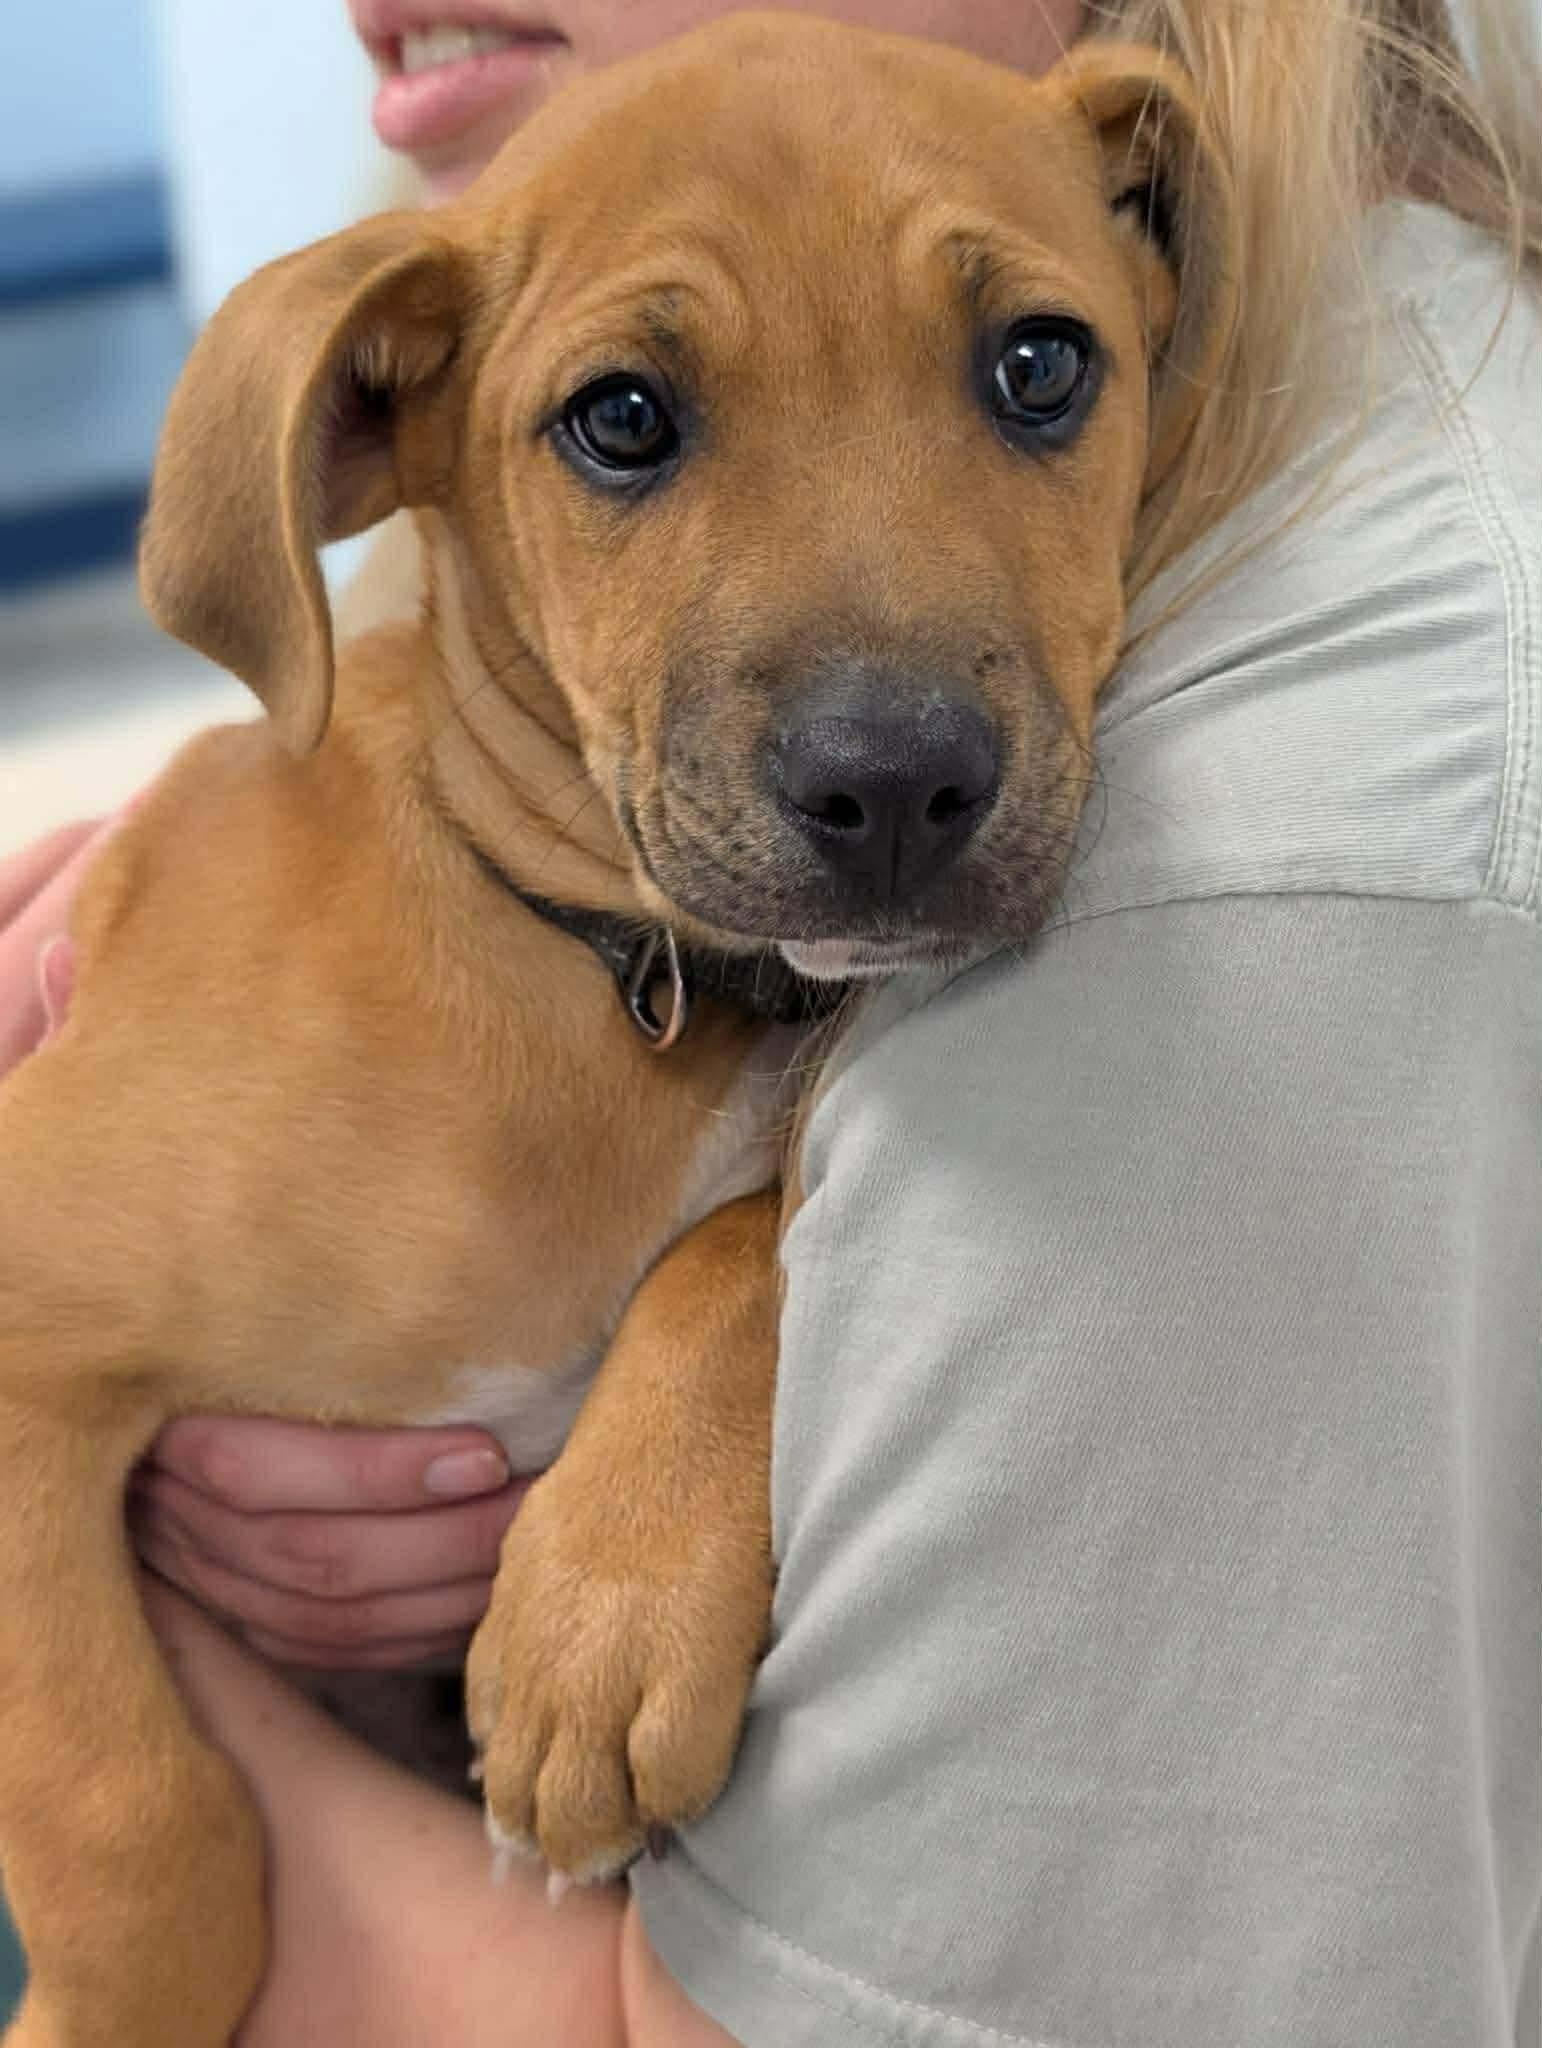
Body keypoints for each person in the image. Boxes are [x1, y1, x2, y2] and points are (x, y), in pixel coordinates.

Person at [3, 0, 1539, 2040]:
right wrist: (140, 1902)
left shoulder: (1259, 864)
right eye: (630, 422)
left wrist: (724, 1323)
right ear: (373, 451)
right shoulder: (388, 952)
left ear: (1173, 291)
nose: (888, 736)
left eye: (1030, 369)